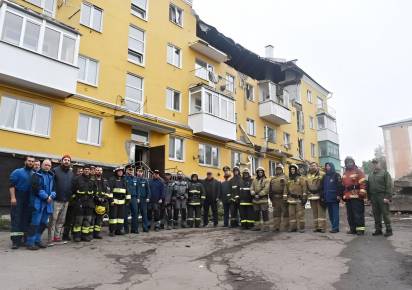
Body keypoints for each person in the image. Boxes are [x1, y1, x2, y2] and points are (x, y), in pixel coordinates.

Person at [26, 159, 56, 250]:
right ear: (41, 165)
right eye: (46, 165)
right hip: (38, 203)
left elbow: (54, 188)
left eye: (49, 165)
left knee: (43, 223)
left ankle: (37, 240)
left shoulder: (51, 176)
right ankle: (30, 242)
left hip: (48, 204)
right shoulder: (36, 175)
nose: (47, 166)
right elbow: (36, 189)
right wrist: (47, 197)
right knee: (35, 223)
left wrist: (52, 195)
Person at [9, 156, 35, 249]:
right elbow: (11, 185)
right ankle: (15, 242)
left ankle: (23, 239)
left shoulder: (34, 174)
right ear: (25, 162)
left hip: (28, 199)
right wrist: (13, 197)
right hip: (18, 197)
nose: (31, 163)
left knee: (25, 220)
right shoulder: (17, 172)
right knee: (16, 219)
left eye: (32, 161)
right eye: (29, 161)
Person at [48, 154, 73, 244]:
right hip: (56, 199)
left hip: (66, 200)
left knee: (61, 220)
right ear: (61, 161)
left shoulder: (71, 173)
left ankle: (57, 237)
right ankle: (50, 239)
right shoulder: (55, 170)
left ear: (70, 162)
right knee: (53, 220)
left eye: (68, 160)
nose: (66, 161)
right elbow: (51, 184)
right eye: (65, 160)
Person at [342, 156, 367, 235]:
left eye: (350, 162)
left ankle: (360, 230)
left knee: (358, 214)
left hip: (357, 197)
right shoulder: (345, 173)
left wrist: (362, 193)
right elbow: (343, 185)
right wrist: (343, 196)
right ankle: (353, 229)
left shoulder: (358, 171)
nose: (349, 164)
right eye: (347, 162)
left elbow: (363, 183)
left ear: (353, 163)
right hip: (348, 197)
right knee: (350, 215)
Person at [368, 159, 393, 237]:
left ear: (380, 164)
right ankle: (378, 229)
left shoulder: (385, 173)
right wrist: (369, 198)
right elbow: (368, 187)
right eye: (374, 164)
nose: (375, 165)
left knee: (385, 213)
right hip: (373, 196)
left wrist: (387, 197)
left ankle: (389, 230)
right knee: (376, 214)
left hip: (382, 196)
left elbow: (389, 186)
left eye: (376, 163)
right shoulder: (370, 175)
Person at [72, 165, 96, 242]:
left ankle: (85, 235)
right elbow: (73, 191)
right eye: (85, 169)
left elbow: (94, 192)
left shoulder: (92, 181)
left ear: (90, 171)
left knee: (87, 220)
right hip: (80, 202)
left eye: (88, 169)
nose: (86, 171)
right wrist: (76, 201)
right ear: (83, 170)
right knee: (78, 220)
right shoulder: (77, 179)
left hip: (89, 203)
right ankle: (77, 236)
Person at [285, 164, 307, 233]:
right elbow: (285, 189)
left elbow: (304, 188)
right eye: (291, 169)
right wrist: (285, 198)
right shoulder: (288, 179)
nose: (292, 170)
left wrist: (304, 198)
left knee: (300, 214)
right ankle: (293, 228)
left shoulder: (300, 178)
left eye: (293, 169)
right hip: (291, 199)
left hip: (299, 199)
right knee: (291, 214)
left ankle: (302, 228)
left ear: (296, 170)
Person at [306, 162, 326, 233]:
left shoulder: (322, 174)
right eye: (311, 166)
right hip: (312, 196)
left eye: (314, 166)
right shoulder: (308, 175)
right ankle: (316, 227)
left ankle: (322, 227)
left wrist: (323, 194)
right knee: (315, 212)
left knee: (321, 212)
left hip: (319, 196)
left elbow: (324, 185)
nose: (312, 167)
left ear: (317, 166)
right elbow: (307, 185)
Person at [108, 167, 129, 236]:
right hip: (114, 201)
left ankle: (119, 230)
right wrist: (111, 200)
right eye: (119, 171)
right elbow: (110, 191)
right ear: (116, 172)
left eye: (121, 171)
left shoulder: (124, 180)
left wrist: (128, 200)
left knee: (120, 217)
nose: (120, 172)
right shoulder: (112, 179)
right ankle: (112, 231)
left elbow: (127, 191)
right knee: (113, 217)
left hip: (122, 202)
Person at [323, 163, 343, 233]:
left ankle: (336, 228)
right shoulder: (325, 176)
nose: (327, 167)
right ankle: (333, 226)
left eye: (328, 166)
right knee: (330, 214)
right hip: (327, 198)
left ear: (332, 167)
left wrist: (339, 195)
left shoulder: (336, 175)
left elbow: (340, 186)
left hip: (334, 197)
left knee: (335, 214)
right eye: (326, 166)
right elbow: (323, 187)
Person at [269, 164, 289, 232]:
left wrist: (286, 196)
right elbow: (270, 189)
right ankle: (276, 227)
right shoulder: (273, 178)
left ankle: (286, 227)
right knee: (276, 213)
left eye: (280, 169)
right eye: (277, 169)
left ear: (282, 170)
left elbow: (288, 187)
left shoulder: (286, 177)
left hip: (283, 197)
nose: (278, 170)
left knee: (285, 212)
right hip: (275, 198)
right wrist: (271, 199)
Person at [92, 167, 110, 239]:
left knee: (99, 220)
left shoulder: (105, 181)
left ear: (102, 172)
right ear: (95, 171)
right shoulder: (92, 180)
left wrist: (104, 198)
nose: (99, 171)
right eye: (97, 170)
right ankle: (90, 233)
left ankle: (97, 234)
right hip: (93, 202)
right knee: (92, 219)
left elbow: (108, 191)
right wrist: (97, 198)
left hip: (102, 203)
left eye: (100, 170)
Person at [251, 167, 270, 231]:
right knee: (256, 214)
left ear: (263, 173)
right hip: (255, 201)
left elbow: (266, 189)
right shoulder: (254, 180)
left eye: (261, 172)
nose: (260, 173)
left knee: (265, 214)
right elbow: (251, 188)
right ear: (257, 173)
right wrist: (252, 192)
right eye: (259, 172)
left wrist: (259, 195)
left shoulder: (266, 180)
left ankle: (266, 227)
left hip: (263, 200)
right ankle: (257, 227)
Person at [136, 167, 151, 232]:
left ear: (142, 173)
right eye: (138, 172)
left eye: (141, 172)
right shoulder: (135, 179)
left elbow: (148, 190)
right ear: (137, 172)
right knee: (135, 213)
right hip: (136, 199)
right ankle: (135, 228)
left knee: (144, 214)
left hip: (143, 199)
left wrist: (148, 197)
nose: (140, 173)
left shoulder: (145, 180)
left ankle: (145, 228)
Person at [124, 166, 137, 234]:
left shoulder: (135, 178)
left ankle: (134, 229)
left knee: (135, 213)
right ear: (126, 170)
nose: (130, 171)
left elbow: (137, 189)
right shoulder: (124, 178)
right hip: (126, 198)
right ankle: (126, 230)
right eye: (129, 170)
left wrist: (138, 198)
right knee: (125, 214)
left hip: (134, 198)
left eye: (131, 170)